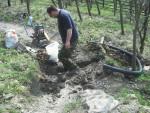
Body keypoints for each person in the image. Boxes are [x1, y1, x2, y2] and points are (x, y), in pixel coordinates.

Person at [47, 6, 79, 71]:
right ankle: (68, 68)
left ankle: (75, 70)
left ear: (53, 11)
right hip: (70, 39)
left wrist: (67, 41)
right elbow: (63, 27)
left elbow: (69, 29)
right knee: (67, 55)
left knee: (61, 56)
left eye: (52, 15)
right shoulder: (61, 13)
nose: (53, 17)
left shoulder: (63, 16)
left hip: (72, 40)